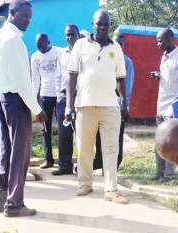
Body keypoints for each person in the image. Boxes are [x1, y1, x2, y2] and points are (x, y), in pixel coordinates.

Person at [0, 0, 47, 217]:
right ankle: (14, 204)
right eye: (24, 16)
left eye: (30, 17)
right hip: (16, 100)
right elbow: (21, 79)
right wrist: (37, 108)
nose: (28, 21)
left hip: (2, 98)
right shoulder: (13, 40)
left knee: (5, 150)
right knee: (19, 153)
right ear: (11, 12)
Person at [66, 10, 130, 205]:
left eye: (106, 24)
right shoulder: (80, 45)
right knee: (84, 146)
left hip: (110, 106)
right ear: (92, 24)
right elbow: (72, 75)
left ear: (110, 26)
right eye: (99, 24)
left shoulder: (116, 48)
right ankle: (85, 183)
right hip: (85, 105)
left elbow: (121, 79)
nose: (102, 27)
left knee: (111, 148)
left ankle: (111, 189)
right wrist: (69, 105)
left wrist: (124, 103)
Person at [150, 27, 178, 183]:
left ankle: (169, 175)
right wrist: (159, 76)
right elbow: (170, 78)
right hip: (161, 105)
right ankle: (159, 173)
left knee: (170, 143)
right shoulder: (164, 57)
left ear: (169, 39)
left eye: (160, 41)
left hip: (172, 107)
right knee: (159, 141)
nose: (158, 44)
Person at [93, 30, 134, 171]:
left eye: (121, 43)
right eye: (116, 43)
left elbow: (126, 88)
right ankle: (99, 161)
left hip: (117, 105)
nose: (118, 45)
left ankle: (114, 165)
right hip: (102, 103)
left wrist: (123, 106)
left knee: (116, 137)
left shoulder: (127, 62)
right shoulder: (106, 58)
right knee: (100, 135)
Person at [53, 24, 80, 176]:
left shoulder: (83, 52)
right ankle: (64, 166)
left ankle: (82, 166)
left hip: (80, 96)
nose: (70, 37)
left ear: (78, 35)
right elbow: (59, 75)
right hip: (64, 97)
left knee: (81, 133)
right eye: (67, 35)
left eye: (73, 34)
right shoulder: (61, 53)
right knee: (64, 132)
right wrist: (59, 96)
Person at [31, 33, 60, 169]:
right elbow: (35, 80)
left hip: (60, 95)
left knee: (64, 127)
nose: (40, 48)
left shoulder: (59, 52)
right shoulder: (35, 57)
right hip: (45, 96)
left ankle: (64, 159)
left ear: (48, 42)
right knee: (45, 129)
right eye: (38, 46)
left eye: (42, 45)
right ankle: (48, 159)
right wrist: (33, 100)